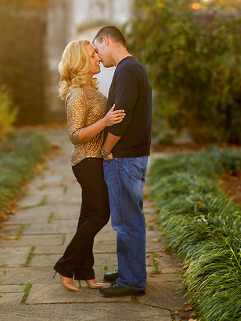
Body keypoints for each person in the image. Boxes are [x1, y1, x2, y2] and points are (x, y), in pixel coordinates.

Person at [53, 39, 126, 291]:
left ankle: (85, 272)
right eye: (93, 55)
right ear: (81, 62)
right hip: (86, 161)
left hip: (96, 160)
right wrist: (105, 122)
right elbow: (75, 136)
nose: (98, 58)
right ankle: (65, 266)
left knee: (87, 217)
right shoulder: (76, 94)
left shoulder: (93, 91)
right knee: (100, 214)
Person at [92, 25, 152, 298]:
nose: (97, 57)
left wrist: (106, 150)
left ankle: (131, 281)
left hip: (123, 157)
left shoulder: (127, 69)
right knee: (131, 218)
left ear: (106, 41)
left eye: (96, 49)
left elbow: (122, 116)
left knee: (126, 221)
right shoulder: (131, 67)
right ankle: (131, 271)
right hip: (131, 156)